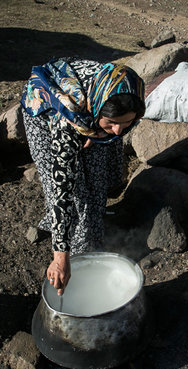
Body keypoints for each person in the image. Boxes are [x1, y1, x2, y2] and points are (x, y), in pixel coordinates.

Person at [21, 57, 146, 296]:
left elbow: (117, 122)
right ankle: (77, 249)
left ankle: (90, 225)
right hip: (46, 107)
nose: (119, 131)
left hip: (88, 110)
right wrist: (60, 258)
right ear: (96, 109)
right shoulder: (65, 119)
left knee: (99, 177)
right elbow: (62, 189)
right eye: (111, 123)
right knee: (75, 192)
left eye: (127, 123)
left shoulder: (125, 92)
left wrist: (96, 130)